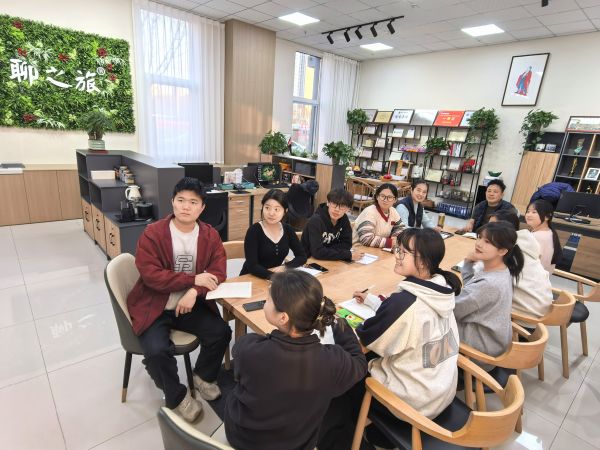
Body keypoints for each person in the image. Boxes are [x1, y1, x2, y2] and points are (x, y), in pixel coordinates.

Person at [224, 271, 367, 450]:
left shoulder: (250, 349)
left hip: (242, 437)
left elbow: (239, 372)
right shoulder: (331, 362)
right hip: (296, 444)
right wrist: (341, 326)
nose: (265, 303)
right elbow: (360, 364)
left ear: (283, 317)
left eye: (268, 300)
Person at [127, 177, 232, 422]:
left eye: (193, 202)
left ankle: (203, 376)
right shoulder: (153, 233)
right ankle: (177, 397)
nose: (186, 206)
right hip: (155, 305)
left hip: (189, 304)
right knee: (156, 352)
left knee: (221, 332)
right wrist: (194, 279)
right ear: (172, 202)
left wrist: (194, 291)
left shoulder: (210, 235)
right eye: (181, 200)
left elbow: (218, 272)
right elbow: (151, 275)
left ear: (202, 207)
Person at [352, 228, 462, 421]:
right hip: (439, 390)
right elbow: (401, 315)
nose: (396, 255)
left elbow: (366, 338)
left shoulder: (405, 304)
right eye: (397, 249)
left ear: (423, 261)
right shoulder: (442, 290)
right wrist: (373, 301)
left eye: (403, 252)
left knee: (348, 367)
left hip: (412, 403)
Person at [454, 222, 524, 364]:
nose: (479, 244)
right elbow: (473, 291)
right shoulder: (503, 269)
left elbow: (452, 310)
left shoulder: (489, 284)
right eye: (480, 237)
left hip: (479, 351)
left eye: (487, 242)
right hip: (492, 341)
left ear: (502, 251)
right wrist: (468, 263)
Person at [490, 210, 553, 323]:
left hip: (523, 319)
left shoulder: (506, 251)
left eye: (491, 227)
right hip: (542, 311)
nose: (486, 229)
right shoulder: (525, 244)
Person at [240, 189, 307, 279]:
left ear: (285, 211)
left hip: (273, 279)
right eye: (267, 208)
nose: (271, 213)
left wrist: (285, 267)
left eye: (276, 209)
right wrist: (274, 277)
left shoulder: (288, 230)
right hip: (250, 278)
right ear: (262, 207)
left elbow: (302, 256)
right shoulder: (254, 231)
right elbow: (252, 266)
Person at [301, 188, 363, 262]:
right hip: (308, 260)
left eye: (342, 206)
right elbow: (317, 252)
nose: (337, 209)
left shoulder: (344, 219)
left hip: (329, 260)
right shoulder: (315, 221)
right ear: (328, 203)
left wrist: (326, 251)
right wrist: (347, 255)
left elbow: (347, 244)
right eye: (334, 204)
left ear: (348, 209)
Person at [353, 183, 405, 248]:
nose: (385, 200)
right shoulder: (369, 212)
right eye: (382, 196)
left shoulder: (393, 211)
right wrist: (390, 242)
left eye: (389, 197)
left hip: (378, 249)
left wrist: (395, 237)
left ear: (395, 200)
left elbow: (400, 227)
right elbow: (366, 239)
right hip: (359, 248)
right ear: (377, 196)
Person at [525, 199, 563, 273]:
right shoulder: (550, 232)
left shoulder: (537, 236)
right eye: (528, 211)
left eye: (534, 212)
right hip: (541, 277)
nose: (529, 215)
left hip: (532, 277)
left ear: (547, 217)